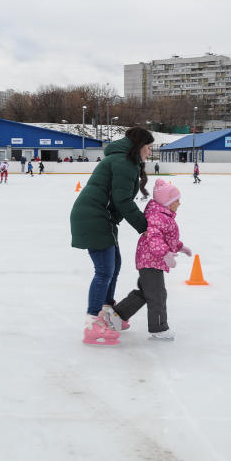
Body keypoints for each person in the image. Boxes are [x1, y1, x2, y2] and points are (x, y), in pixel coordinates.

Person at [70, 127, 154, 346]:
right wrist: (145, 226)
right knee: (104, 270)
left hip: (101, 216)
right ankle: (92, 323)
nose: (150, 152)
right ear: (139, 145)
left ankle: (107, 313)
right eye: (149, 147)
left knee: (114, 264)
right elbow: (123, 201)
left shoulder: (124, 160)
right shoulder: (124, 163)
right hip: (93, 216)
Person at [107, 179, 191, 340]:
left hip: (151, 260)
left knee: (146, 292)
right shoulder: (158, 217)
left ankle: (117, 316)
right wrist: (165, 254)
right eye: (176, 200)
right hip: (151, 260)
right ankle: (159, 328)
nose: (179, 203)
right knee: (157, 294)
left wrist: (180, 247)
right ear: (168, 202)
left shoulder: (164, 216)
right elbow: (154, 239)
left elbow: (167, 239)